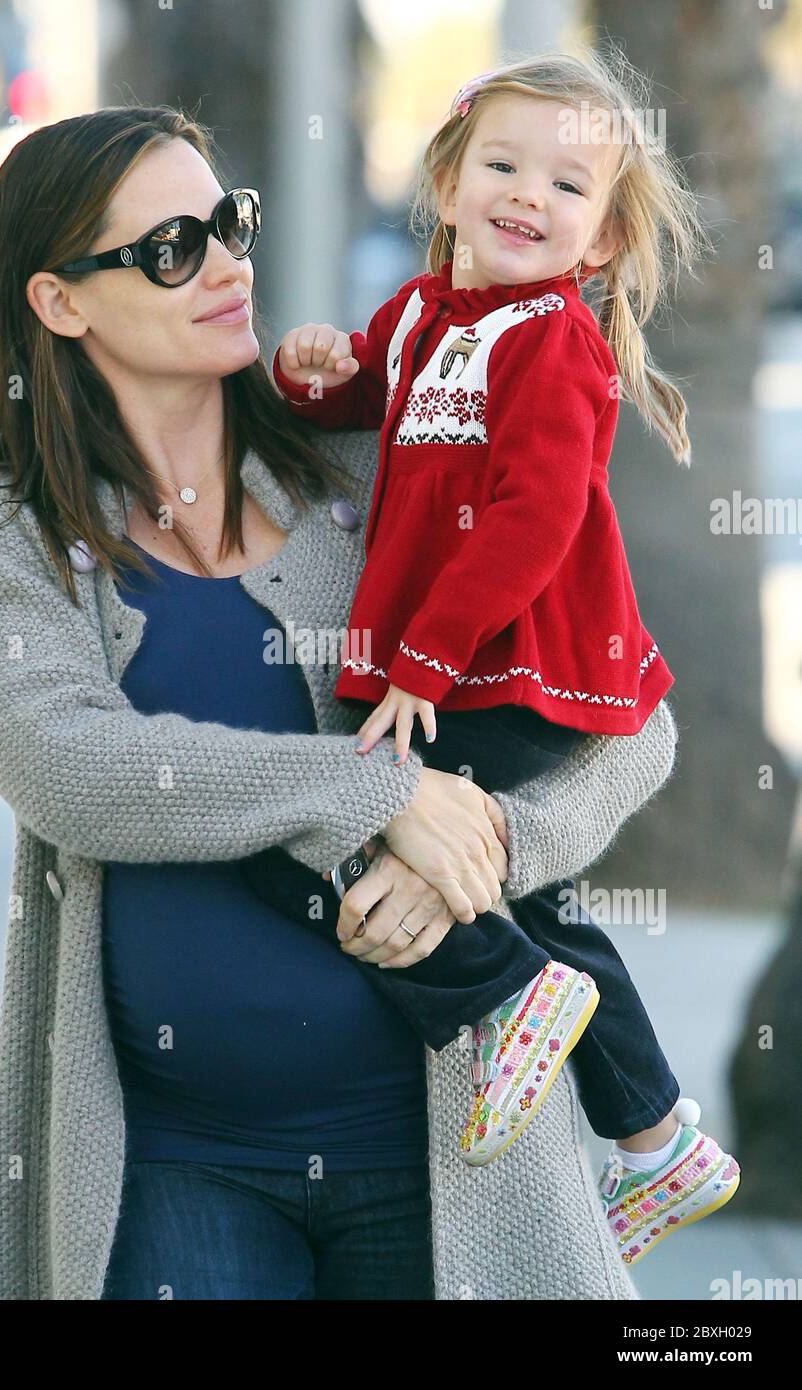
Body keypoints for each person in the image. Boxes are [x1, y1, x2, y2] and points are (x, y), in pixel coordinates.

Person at [0, 101, 680, 1299]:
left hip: (446, 1159)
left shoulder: (380, 465)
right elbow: (75, 773)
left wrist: (461, 856)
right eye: (171, 249)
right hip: (173, 1164)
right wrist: (379, 795)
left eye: (229, 223)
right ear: (59, 302)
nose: (226, 266)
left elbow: (633, 725)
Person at [263, 51, 739, 1263]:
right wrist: (307, 368)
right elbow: (352, 398)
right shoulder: (421, 311)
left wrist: (421, 660)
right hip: (463, 661)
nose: (530, 195)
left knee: (368, 821)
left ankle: (500, 995)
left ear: (605, 236)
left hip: (522, 662)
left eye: (568, 185)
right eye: (505, 165)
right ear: (449, 176)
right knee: (530, 886)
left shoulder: (554, 342)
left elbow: (535, 519)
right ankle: (654, 1134)